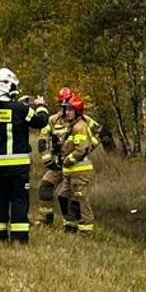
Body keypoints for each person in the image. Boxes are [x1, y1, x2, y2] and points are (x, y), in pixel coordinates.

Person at [0, 68, 49, 242]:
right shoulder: (20, 109)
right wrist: (41, 106)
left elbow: (7, 114)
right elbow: (41, 121)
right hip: (17, 167)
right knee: (19, 200)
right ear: (9, 86)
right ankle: (19, 238)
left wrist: (19, 104)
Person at [60, 92, 100, 234]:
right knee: (63, 196)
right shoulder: (72, 126)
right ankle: (70, 226)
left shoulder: (80, 126)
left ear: (77, 111)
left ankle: (86, 231)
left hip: (80, 171)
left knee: (81, 200)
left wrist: (66, 161)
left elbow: (81, 149)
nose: (67, 112)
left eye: (70, 109)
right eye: (66, 109)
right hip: (71, 172)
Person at [36, 88, 76, 226]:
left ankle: (72, 224)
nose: (65, 108)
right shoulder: (53, 120)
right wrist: (47, 160)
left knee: (68, 195)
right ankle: (45, 220)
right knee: (45, 187)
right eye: (62, 104)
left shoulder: (80, 119)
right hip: (57, 164)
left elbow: (99, 133)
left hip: (74, 164)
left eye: (68, 104)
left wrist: (86, 150)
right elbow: (42, 140)